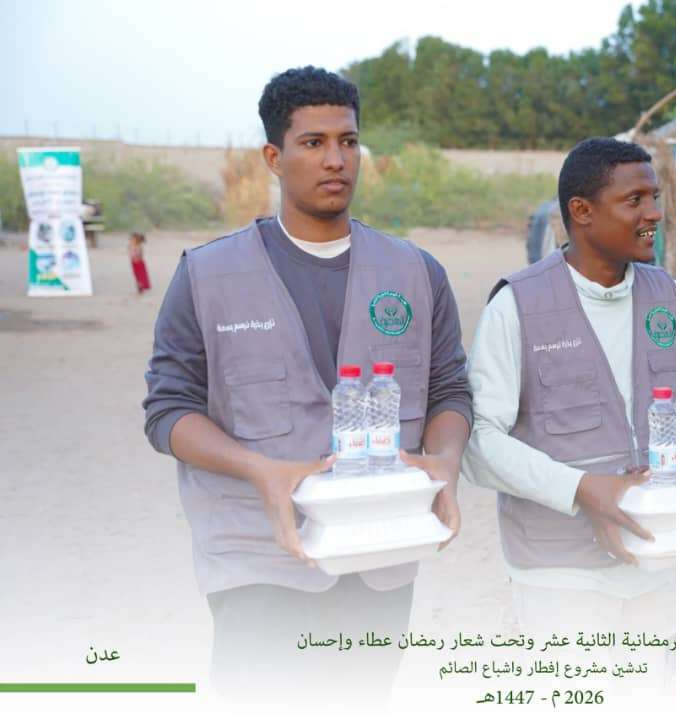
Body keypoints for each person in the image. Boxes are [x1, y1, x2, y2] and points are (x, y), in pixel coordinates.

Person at [142, 66, 472, 702]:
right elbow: (167, 411)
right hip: (258, 560)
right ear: (274, 157)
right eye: (313, 143)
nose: (335, 160)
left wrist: (445, 462)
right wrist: (260, 470)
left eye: (348, 141)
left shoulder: (415, 272)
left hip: (381, 555)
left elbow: (449, 391)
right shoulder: (208, 275)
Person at [463, 138, 676, 668]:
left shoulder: (670, 297)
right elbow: (480, 443)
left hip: (654, 556)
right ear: (582, 211)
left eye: (654, 197)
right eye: (634, 200)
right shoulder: (517, 306)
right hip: (557, 570)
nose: (653, 213)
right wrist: (585, 489)